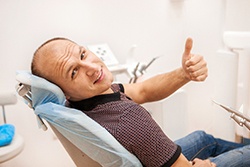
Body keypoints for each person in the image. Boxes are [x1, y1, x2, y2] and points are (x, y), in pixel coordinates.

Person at [30, 37, 246, 166]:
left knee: (202, 138)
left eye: (83, 54)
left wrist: (184, 74)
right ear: (63, 91)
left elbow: (142, 90)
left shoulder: (81, 104)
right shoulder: (129, 119)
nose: (93, 68)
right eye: (74, 72)